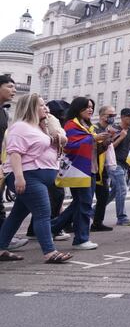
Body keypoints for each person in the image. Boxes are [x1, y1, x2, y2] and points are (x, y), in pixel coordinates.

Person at [0, 93, 72, 263]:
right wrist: (19, 178)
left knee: (17, 215)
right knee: (43, 213)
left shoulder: (40, 127)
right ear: (30, 107)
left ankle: (1, 248)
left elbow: (60, 142)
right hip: (28, 176)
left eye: (45, 105)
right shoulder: (20, 127)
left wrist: (56, 136)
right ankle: (49, 252)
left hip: (39, 176)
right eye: (41, 105)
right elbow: (15, 153)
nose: (46, 108)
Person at [51, 97, 109, 250]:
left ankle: (52, 228)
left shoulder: (88, 126)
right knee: (84, 204)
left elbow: (93, 148)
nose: (90, 109)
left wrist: (104, 142)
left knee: (79, 203)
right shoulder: (71, 125)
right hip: (79, 169)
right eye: (86, 107)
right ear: (78, 108)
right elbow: (70, 145)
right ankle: (81, 239)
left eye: (91, 107)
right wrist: (93, 138)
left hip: (90, 169)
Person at [0, 74, 26, 251]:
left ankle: (4, 238)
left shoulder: (4, 112)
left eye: (14, 87)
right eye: (9, 86)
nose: (14, 90)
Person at [91, 105, 120, 232]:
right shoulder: (95, 129)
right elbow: (98, 148)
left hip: (104, 168)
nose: (113, 117)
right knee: (84, 198)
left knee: (103, 196)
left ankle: (97, 223)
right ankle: (68, 222)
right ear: (102, 116)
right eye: (110, 115)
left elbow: (107, 148)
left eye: (114, 115)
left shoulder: (108, 129)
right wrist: (109, 137)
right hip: (94, 167)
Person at [107, 108, 130, 226]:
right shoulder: (114, 129)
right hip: (115, 164)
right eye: (129, 116)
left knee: (114, 191)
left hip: (125, 164)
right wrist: (121, 137)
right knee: (122, 189)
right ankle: (122, 217)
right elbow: (109, 148)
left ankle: (94, 210)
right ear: (123, 117)